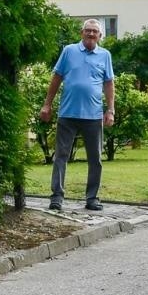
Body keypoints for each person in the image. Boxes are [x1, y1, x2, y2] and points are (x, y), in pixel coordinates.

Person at [41, 18, 116, 213]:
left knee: (95, 158)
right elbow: (57, 77)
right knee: (61, 156)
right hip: (68, 113)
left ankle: (92, 198)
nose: (91, 34)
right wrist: (47, 104)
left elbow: (109, 83)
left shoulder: (105, 55)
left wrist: (110, 110)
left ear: (100, 36)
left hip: (93, 115)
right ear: (82, 33)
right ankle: (57, 197)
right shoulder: (69, 51)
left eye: (95, 32)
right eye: (88, 30)